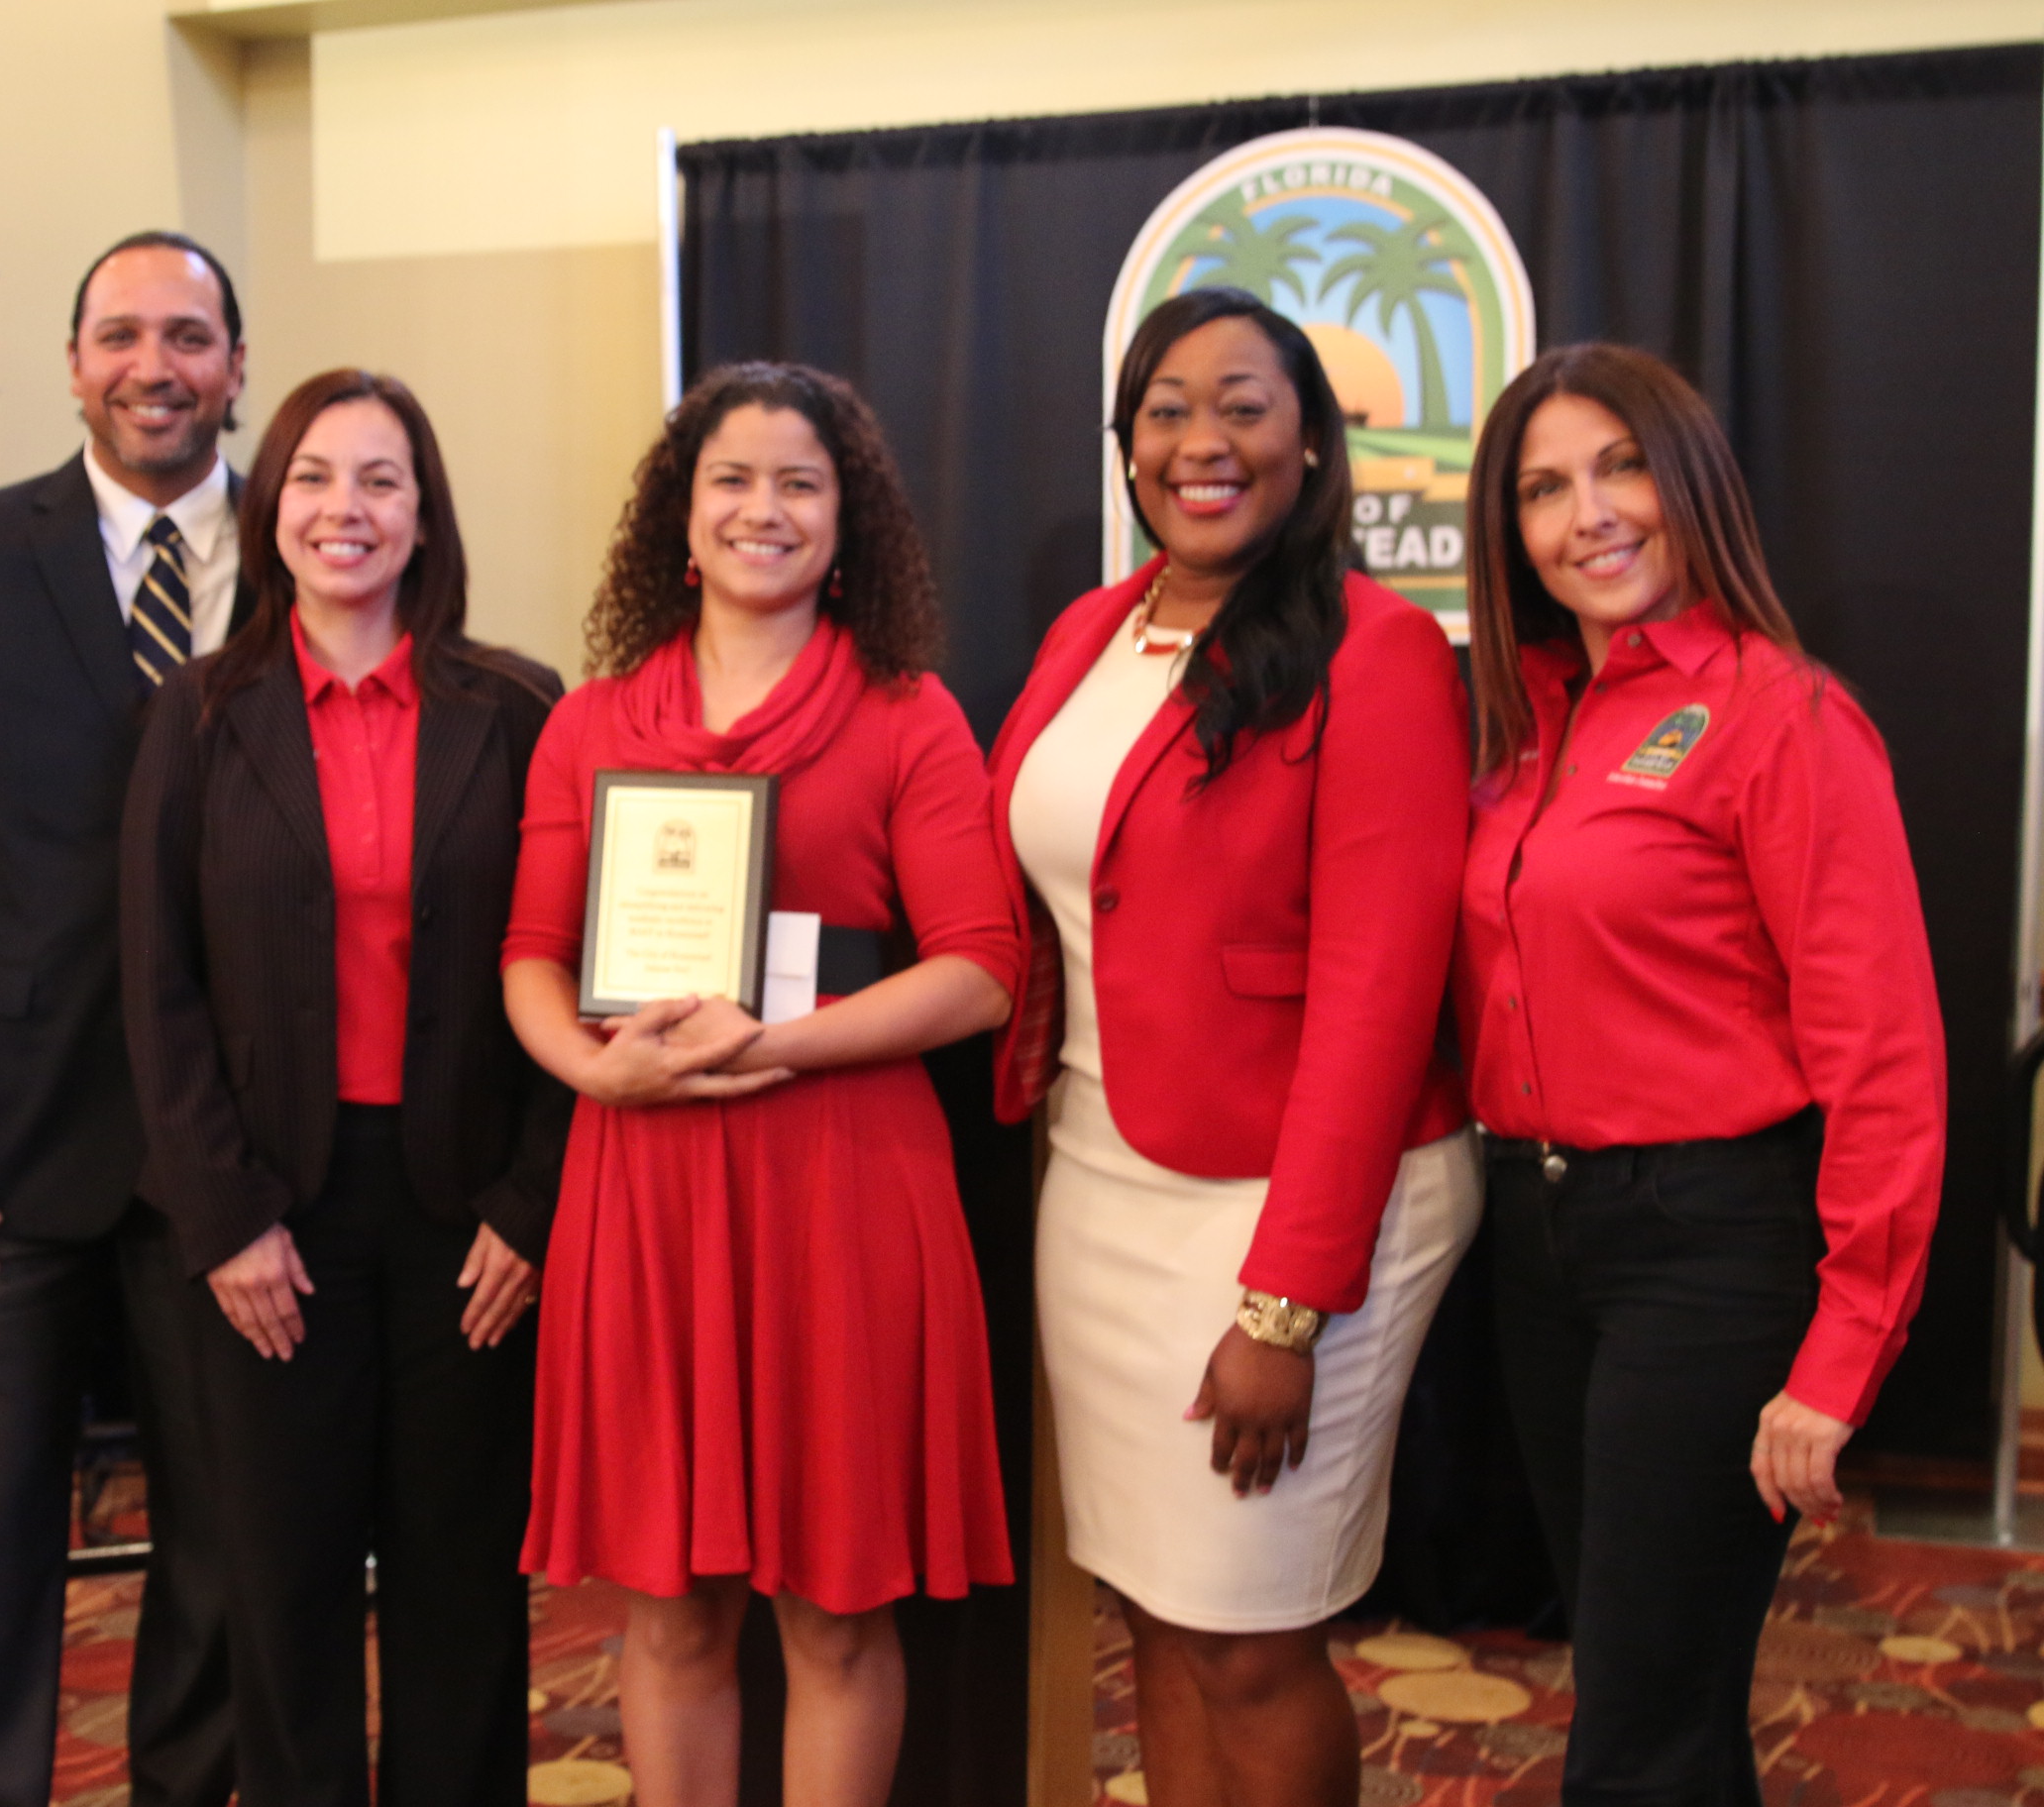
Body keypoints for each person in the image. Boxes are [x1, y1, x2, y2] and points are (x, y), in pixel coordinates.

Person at [986, 286, 1476, 1807]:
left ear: (1316, 449)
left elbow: (1380, 996)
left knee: (1253, 1635)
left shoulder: (1381, 653)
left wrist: (1284, 1308)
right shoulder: (1094, 630)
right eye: (1166, 410)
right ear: (1126, 447)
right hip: (1100, 1174)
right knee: (1158, 1602)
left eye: (1245, 406)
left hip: (1290, 1199)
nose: (1202, 441)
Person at [505, 362, 1017, 1807]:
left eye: (802, 483)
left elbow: (981, 970)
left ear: (848, 525)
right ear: (682, 515)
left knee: (840, 1610)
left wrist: (764, 1045)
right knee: (667, 1608)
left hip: (845, 1189)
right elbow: (529, 961)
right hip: (648, 1187)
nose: (764, 509)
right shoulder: (589, 722)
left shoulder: (909, 718)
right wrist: (608, 1077)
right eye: (732, 479)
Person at [1455, 343, 1944, 1802]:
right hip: (1541, 1244)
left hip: (1714, 1252)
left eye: (1619, 468)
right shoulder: (1523, 729)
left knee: (1643, 1721)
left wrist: (1844, 1350)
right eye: (1544, 489)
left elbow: (1886, 1060)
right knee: (1639, 1677)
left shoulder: (1780, 716)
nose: (1588, 515)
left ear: (1691, 483)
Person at [120, 368, 570, 1807]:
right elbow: (156, 986)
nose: (345, 510)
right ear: (272, 510)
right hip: (271, 1225)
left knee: (462, 1597)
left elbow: (576, 964)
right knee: (283, 1593)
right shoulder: (199, 714)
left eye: (381, 481)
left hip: (469, 1220)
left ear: (425, 516)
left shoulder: (518, 707)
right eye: (314, 476)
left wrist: (532, 1204)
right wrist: (223, 1218)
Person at [0, 230, 246, 1807]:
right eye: (122, 335)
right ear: (76, 362)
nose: (155, 365)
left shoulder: (305, 553)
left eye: (190, 336)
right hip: (2, 1147)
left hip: (232, 1150)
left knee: (222, 1552)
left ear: (236, 362)